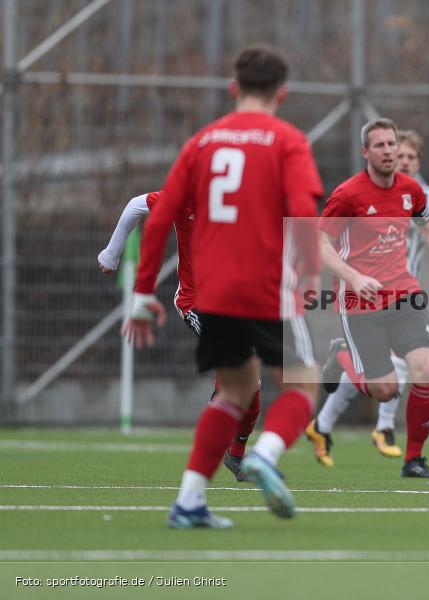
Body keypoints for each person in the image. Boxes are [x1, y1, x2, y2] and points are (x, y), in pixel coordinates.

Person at [122, 45, 323, 528]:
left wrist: (143, 292)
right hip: (268, 285)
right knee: (302, 383)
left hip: (211, 291)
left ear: (234, 88)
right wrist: (312, 274)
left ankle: (189, 501)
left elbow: (160, 216)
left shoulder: (202, 142)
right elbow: (302, 212)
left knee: (233, 394)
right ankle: (266, 455)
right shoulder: (288, 140)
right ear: (282, 92)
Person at [313, 118, 429, 478]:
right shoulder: (348, 195)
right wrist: (353, 276)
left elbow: (428, 228)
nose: (389, 151)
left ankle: (414, 460)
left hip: (403, 292)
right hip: (359, 300)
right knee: (386, 390)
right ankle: (342, 356)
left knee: (425, 369)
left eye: (392, 144)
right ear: (366, 152)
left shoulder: (411, 190)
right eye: (380, 145)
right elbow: (320, 244)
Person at [98, 191, 261, 481]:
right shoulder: (183, 194)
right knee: (237, 371)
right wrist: (111, 254)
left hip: (236, 304)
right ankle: (200, 476)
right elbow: (136, 205)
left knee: (252, 382)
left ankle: (236, 454)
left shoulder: (242, 196)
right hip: (194, 301)